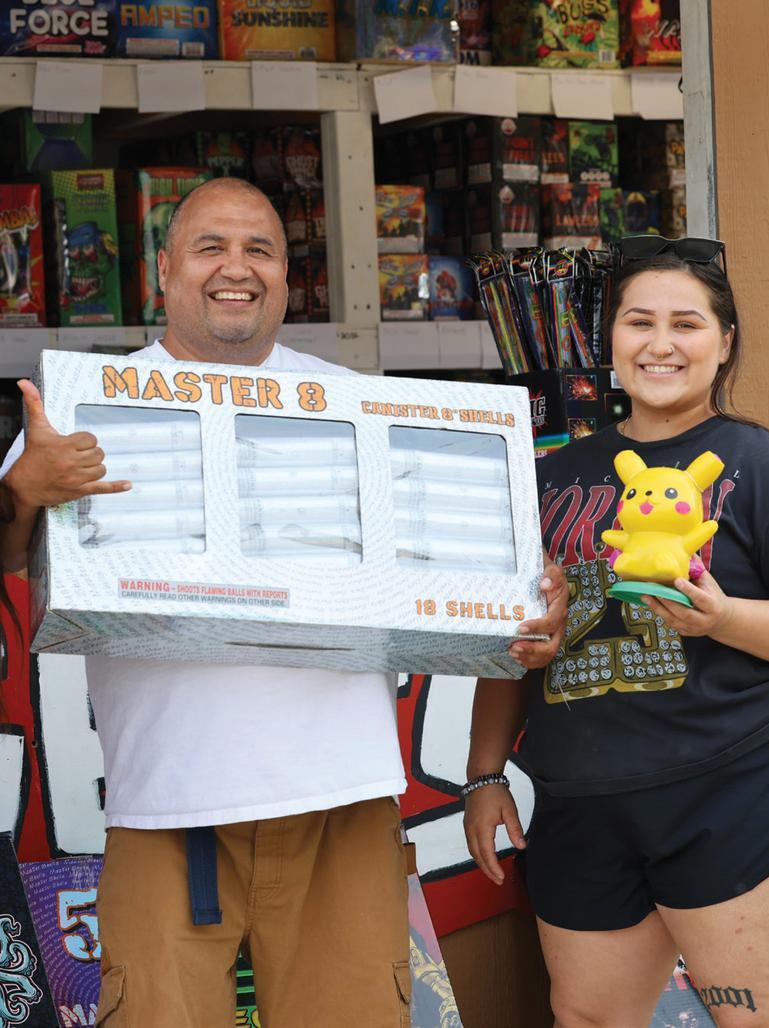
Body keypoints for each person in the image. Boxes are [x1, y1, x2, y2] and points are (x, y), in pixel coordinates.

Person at [0, 176, 566, 1027]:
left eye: (259, 249)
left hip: (341, 801)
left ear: (289, 276)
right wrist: (24, 492)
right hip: (167, 808)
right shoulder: (85, 408)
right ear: (166, 271)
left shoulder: (363, 407)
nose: (238, 268)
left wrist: (526, 599)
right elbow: (8, 547)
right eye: (211, 247)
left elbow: (481, 581)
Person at [463, 240, 769, 1027]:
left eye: (686, 324)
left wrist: (726, 619)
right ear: (608, 339)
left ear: (725, 342)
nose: (660, 344)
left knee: (761, 1016)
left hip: (730, 793)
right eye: (638, 322)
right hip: (582, 803)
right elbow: (508, 646)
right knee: (588, 1020)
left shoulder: (767, 468)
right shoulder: (551, 476)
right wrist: (484, 776)